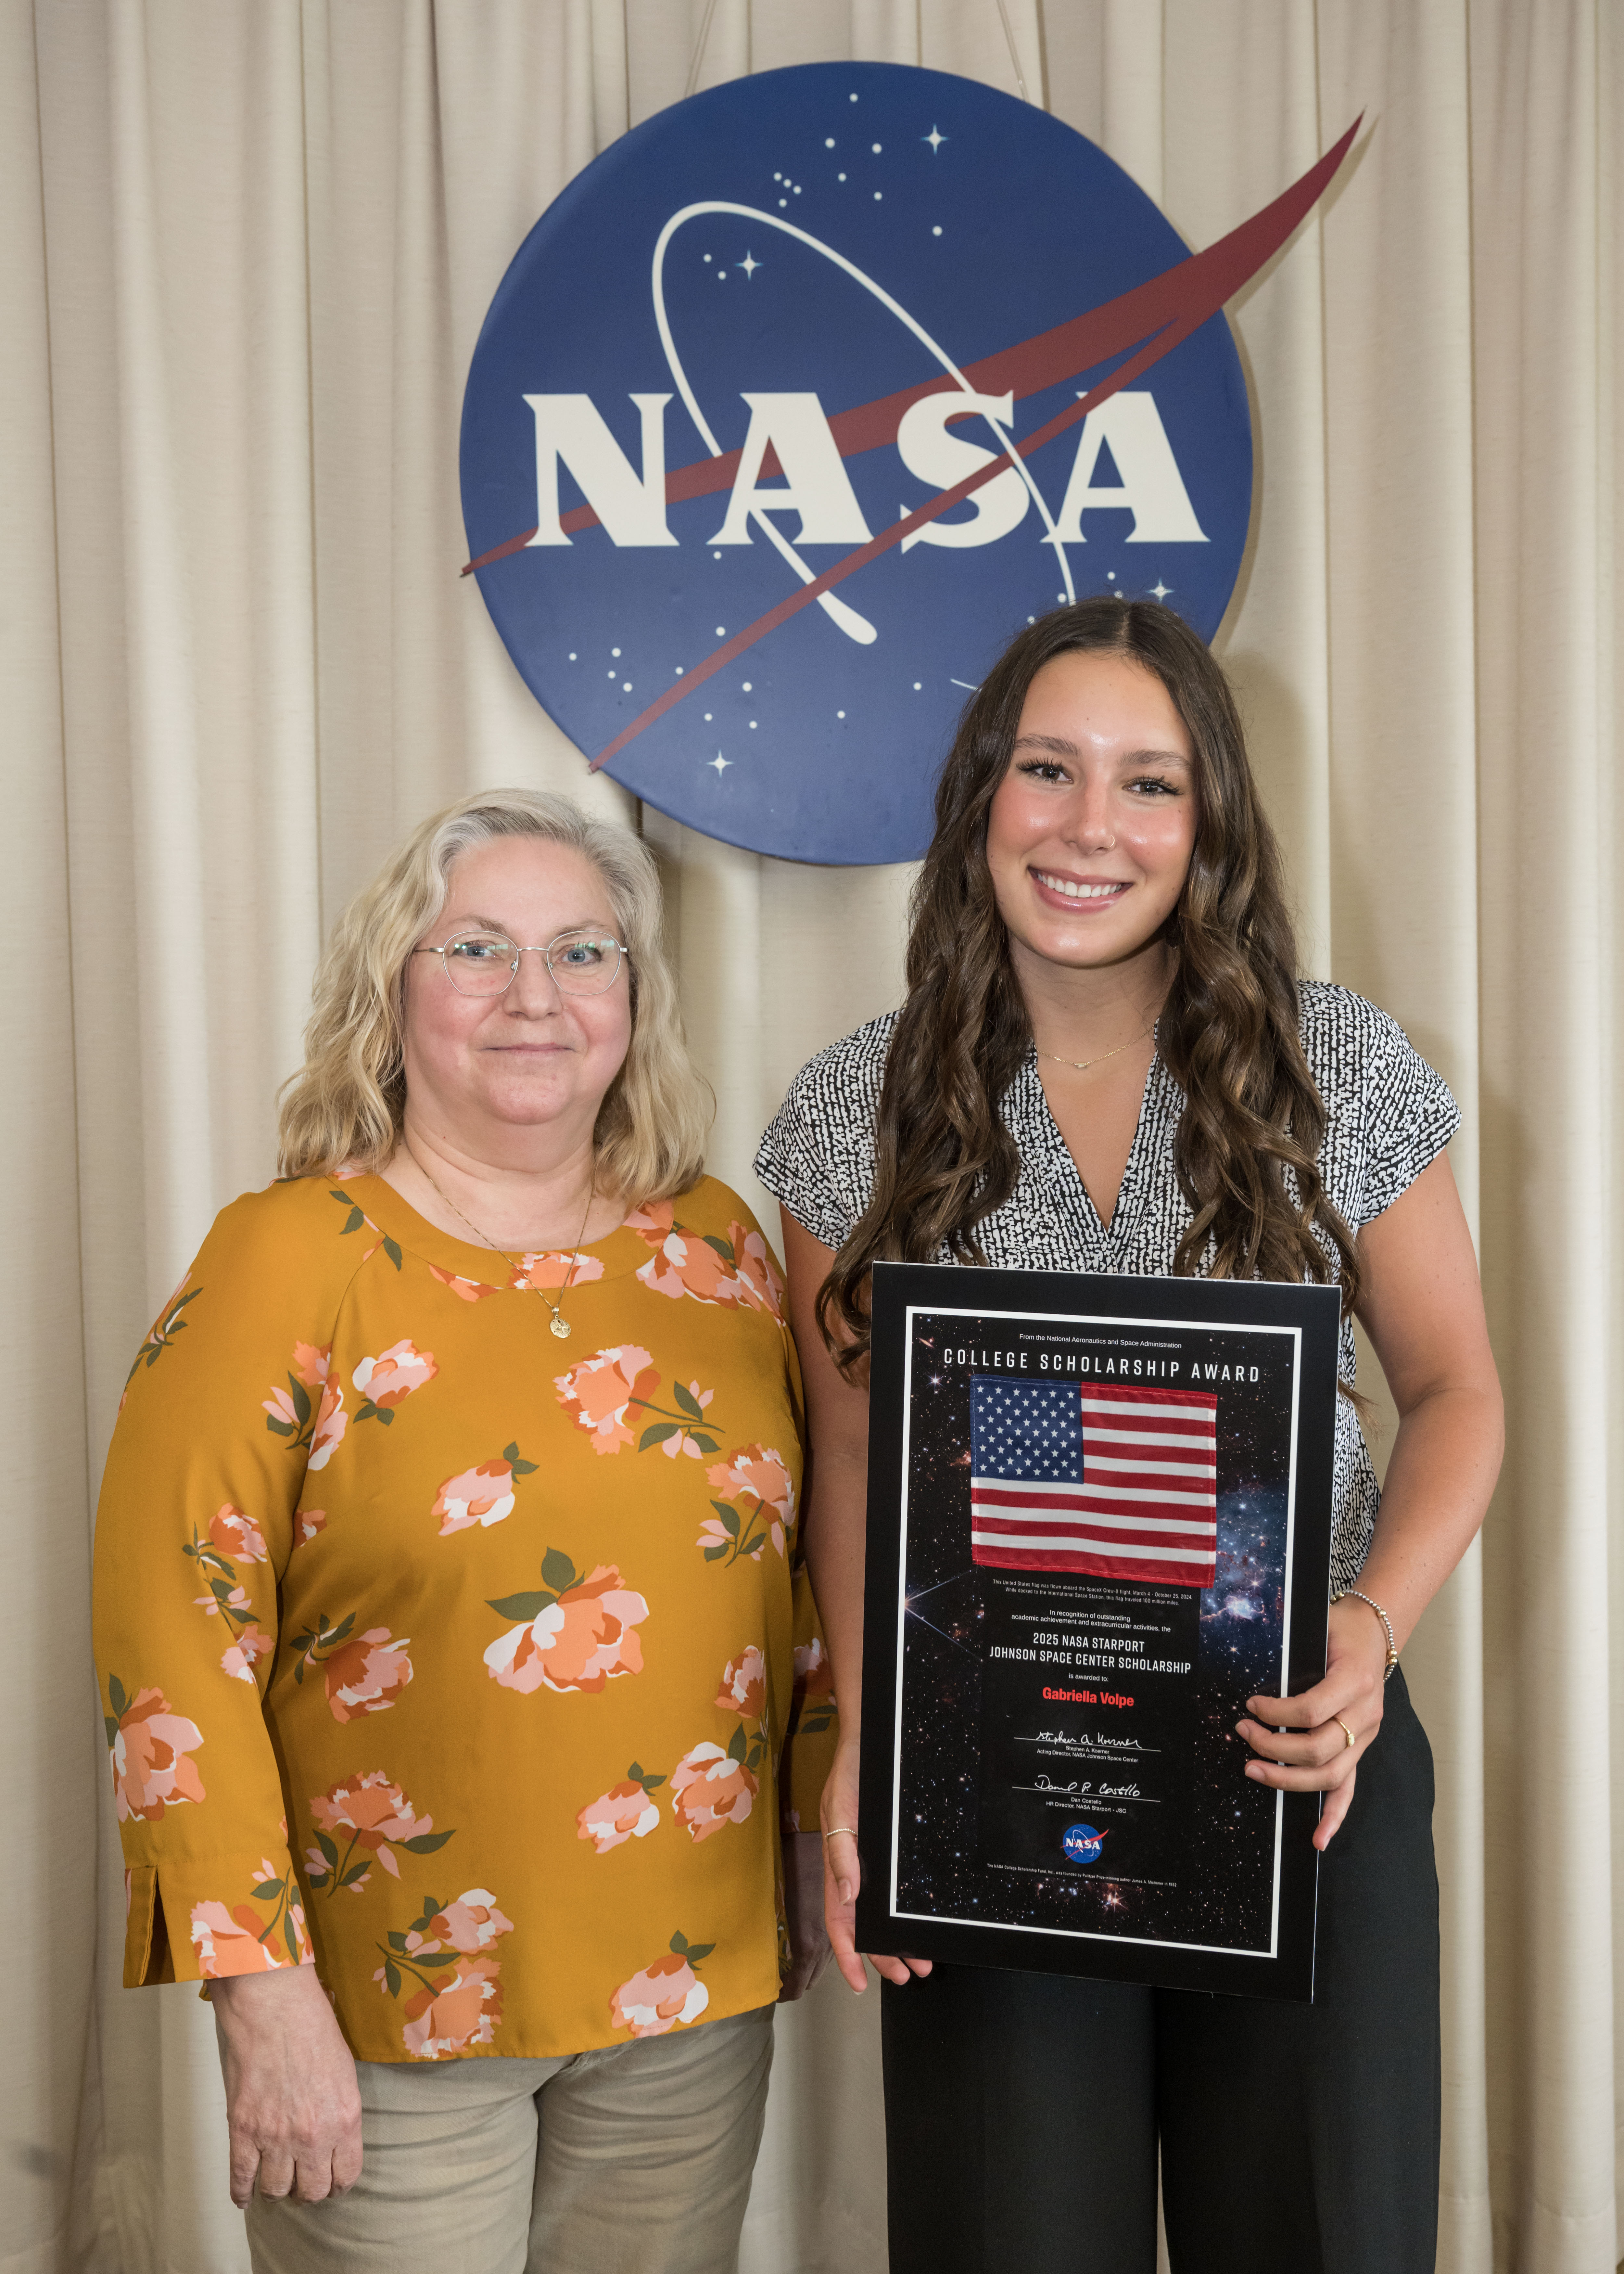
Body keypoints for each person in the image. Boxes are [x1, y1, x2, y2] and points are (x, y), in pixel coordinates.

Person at [753, 599, 1503, 2273]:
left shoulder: (1336, 1065)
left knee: (1317, 2236)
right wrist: (868, 1742)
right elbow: (853, 1468)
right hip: (993, 1778)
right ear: (980, 799)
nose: (1092, 825)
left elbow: (1457, 1391)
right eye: (1048, 769)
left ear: (1208, 825)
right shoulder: (847, 1108)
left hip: (1297, 1756)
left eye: (1148, 783)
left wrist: (1366, 1634)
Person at [94, 787, 835, 2274]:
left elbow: (797, 1577)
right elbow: (169, 1631)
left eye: (582, 953)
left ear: (634, 998)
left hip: (689, 1988)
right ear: (392, 991)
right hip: (386, 2002)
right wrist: (257, 1985)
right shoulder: (286, 1256)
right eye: (476, 948)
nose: (533, 997)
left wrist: (816, 1821)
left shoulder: (714, 1248)